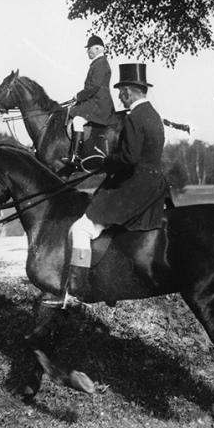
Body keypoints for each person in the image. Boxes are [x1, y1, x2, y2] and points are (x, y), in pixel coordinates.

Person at [56, 62, 169, 304]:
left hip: (134, 186)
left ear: (128, 91)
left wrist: (104, 163)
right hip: (155, 186)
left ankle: (78, 287)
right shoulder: (154, 115)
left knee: (81, 229)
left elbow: (128, 159)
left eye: (121, 91)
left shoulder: (134, 118)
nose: (119, 96)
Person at [62, 34, 116, 166]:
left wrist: (78, 96)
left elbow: (94, 87)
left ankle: (76, 156)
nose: (87, 51)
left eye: (89, 48)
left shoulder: (101, 64)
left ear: (98, 49)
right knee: (71, 112)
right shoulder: (97, 63)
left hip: (99, 103)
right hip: (94, 100)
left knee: (77, 120)